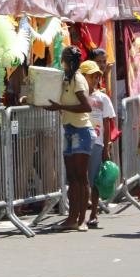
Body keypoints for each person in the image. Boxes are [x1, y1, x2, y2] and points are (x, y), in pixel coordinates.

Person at [45, 45, 94, 232]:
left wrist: (61, 108)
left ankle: (82, 219)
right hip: (69, 130)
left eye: (63, 58)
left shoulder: (78, 79)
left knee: (81, 178)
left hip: (81, 131)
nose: (61, 61)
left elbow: (86, 106)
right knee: (72, 178)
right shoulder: (65, 79)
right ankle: (72, 217)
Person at [80, 60, 115, 229]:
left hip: (97, 144)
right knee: (80, 179)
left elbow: (107, 122)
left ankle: (94, 213)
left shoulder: (103, 98)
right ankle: (80, 214)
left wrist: (107, 146)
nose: (94, 80)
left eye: (96, 76)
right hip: (80, 142)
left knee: (94, 180)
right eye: (91, 76)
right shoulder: (77, 96)